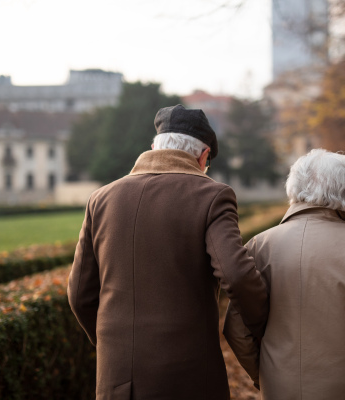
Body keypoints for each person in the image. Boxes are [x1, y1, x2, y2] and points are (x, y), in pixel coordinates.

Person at [67, 104, 268, 400]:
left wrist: (113, 345)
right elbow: (236, 276)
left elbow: (79, 294)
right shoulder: (212, 196)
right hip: (188, 377)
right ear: (203, 156)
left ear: (153, 147)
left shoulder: (101, 199)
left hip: (117, 376)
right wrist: (263, 328)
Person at [223, 149, 345, 400]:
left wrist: (263, 374)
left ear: (293, 188)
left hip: (281, 388)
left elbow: (237, 331)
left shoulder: (259, 246)